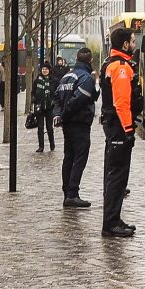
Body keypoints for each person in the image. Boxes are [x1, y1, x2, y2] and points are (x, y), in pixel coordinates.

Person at [99, 27, 141, 238]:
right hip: (118, 127)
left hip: (112, 126)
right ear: (125, 44)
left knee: (114, 174)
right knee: (117, 176)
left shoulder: (110, 63)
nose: (135, 45)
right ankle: (111, 223)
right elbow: (122, 103)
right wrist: (128, 130)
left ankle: (114, 218)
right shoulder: (121, 68)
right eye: (133, 41)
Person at [53, 48, 100, 208]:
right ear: (90, 60)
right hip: (79, 123)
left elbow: (57, 98)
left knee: (69, 157)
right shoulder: (85, 78)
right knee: (79, 158)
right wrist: (64, 114)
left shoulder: (66, 76)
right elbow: (78, 100)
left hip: (67, 125)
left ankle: (67, 193)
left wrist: (58, 115)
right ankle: (72, 194)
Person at [32, 63, 56, 152]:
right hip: (39, 106)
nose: (44, 71)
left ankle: (52, 144)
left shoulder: (53, 80)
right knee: (40, 127)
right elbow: (33, 92)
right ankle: (41, 146)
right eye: (43, 69)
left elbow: (56, 93)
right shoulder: (37, 80)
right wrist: (34, 100)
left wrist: (53, 101)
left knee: (49, 127)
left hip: (49, 107)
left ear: (49, 70)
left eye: (46, 69)